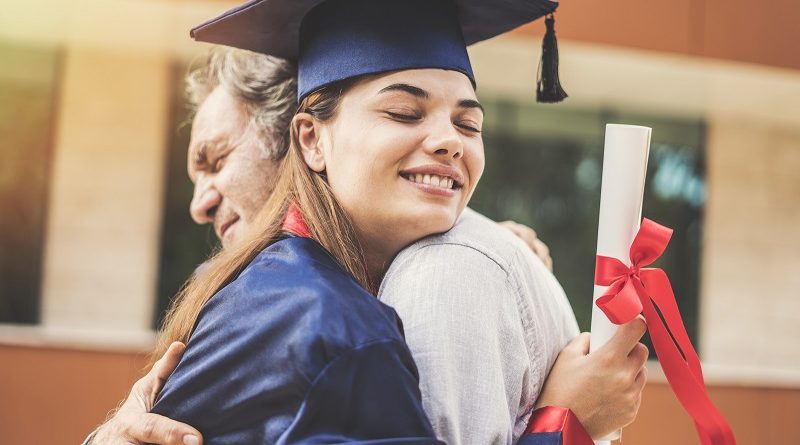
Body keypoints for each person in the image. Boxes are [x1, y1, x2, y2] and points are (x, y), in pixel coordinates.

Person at [89, 0, 648, 442]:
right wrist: (565, 423)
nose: (449, 141)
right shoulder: (339, 330)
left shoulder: (274, 290)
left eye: (469, 124)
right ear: (310, 139)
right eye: (404, 112)